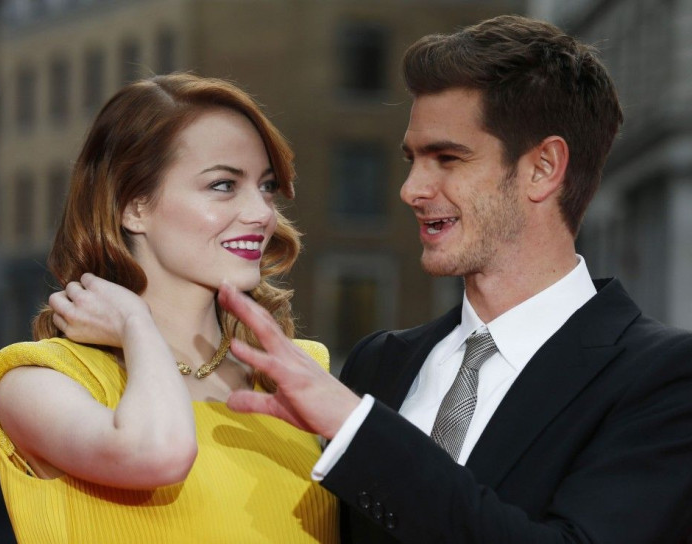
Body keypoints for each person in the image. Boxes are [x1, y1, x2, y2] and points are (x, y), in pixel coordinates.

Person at [216, 14, 692, 543]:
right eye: (412, 159)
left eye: (447, 158)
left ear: (543, 167)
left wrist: (358, 429)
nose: (412, 189)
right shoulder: (382, 362)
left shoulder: (664, 379)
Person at [0, 73, 338, 543]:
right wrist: (135, 324)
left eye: (266, 187)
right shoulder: (40, 383)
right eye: (224, 185)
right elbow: (158, 455)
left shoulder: (300, 373)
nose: (262, 213)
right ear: (134, 207)